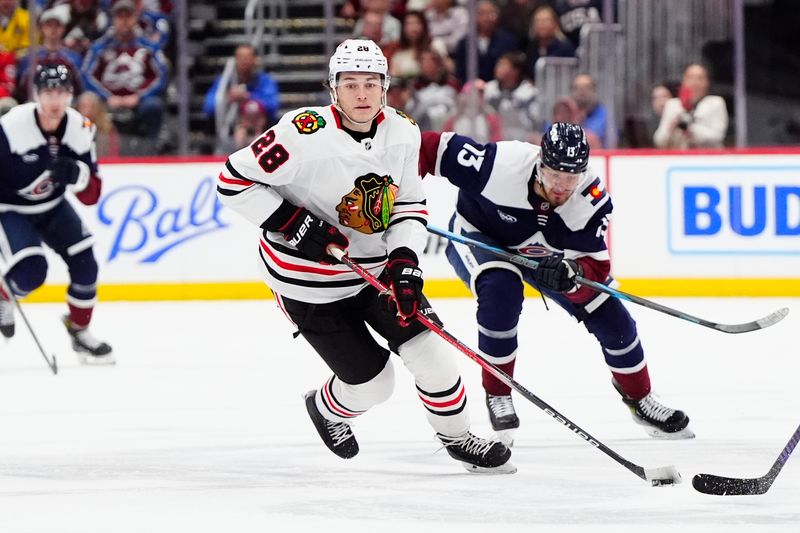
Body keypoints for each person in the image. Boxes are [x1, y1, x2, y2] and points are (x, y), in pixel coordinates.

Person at [217, 39, 513, 473]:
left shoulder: (403, 132)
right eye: (350, 83)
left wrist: (405, 260)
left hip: (374, 269)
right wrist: (290, 221)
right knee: (376, 384)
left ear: (385, 87)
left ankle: (457, 438)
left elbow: (409, 206)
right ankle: (327, 408)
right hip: (308, 284)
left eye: (371, 84)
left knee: (433, 355)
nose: (361, 94)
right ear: (332, 88)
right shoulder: (300, 132)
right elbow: (233, 180)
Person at [418, 122, 694, 444]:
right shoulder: (501, 163)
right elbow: (429, 148)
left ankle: (641, 399)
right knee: (501, 291)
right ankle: (498, 393)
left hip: (549, 256)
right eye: (554, 175)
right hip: (479, 237)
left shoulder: (590, 200)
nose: (562, 187)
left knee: (612, 317)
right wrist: (395, 189)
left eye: (571, 177)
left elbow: (595, 269)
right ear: (540, 164)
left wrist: (570, 275)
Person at [0, 64, 114, 364]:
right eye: (48, 92)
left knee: (86, 265)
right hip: (10, 209)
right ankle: (4, 296)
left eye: (61, 93)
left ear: (71, 95)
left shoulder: (80, 129)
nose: (55, 101)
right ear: (36, 95)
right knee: (32, 271)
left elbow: (92, 195)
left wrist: (79, 176)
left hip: (53, 205)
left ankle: (80, 332)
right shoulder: (11, 127)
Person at [202, 43, 280, 130]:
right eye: (241, 57)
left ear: (255, 60)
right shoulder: (224, 81)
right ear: (235, 60)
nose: (244, 61)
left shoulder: (265, 80)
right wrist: (228, 98)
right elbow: (208, 107)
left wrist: (248, 97)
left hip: (259, 128)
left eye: (248, 57)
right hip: (230, 127)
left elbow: (273, 106)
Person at [653, 63, 728, 149]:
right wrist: (671, 128)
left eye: (700, 78)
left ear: (707, 82)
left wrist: (690, 130)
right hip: (679, 158)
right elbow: (658, 140)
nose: (695, 83)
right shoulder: (672, 105)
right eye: (690, 78)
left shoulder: (715, 103)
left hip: (708, 158)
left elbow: (718, 136)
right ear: (684, 81)